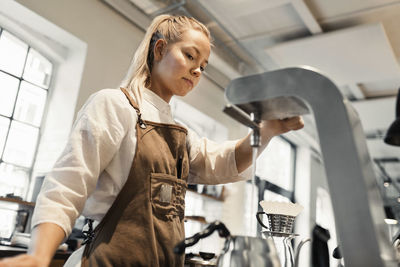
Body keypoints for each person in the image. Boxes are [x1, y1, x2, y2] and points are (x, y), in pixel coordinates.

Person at [0, 14, 304, 267]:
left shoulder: (178, 132)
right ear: (159, 49)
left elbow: (220, 163)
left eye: (203, 66)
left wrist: (267, 131)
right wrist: (40, 255)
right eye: (190, 56)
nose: (197, 70)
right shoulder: (114, 105)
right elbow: (66, 187)